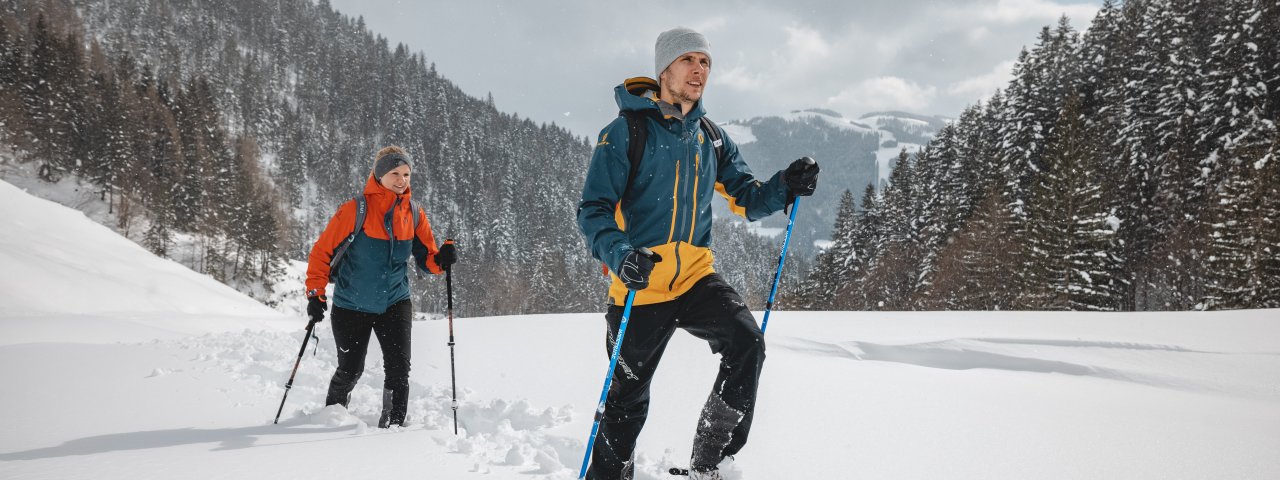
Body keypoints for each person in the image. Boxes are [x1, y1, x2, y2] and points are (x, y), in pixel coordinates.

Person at [577, 27, 820, 480]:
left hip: (694, 278)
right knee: (626, 405)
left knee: (747, 343)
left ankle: (709, 464)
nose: (699, 69)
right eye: (688, 60)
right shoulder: (625, 131)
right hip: (641, 285)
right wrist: (621, 254)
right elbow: (592, 211)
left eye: (705, 62)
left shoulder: (711, 137)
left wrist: (785, 185)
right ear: (664, 69)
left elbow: (746, 196)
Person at [304, 145, 457, 428]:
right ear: (379, 174)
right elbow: (322, 252)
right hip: (351, 305)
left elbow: (428, 260)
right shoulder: (354, 210)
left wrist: (443, 260)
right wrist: (316, 294)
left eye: (407, 174)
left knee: (399, 371)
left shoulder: (414, 213)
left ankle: (393, 427)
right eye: (395, 173)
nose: (402, 180)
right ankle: (333, 417)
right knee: (350, 370)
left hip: (395, 303)